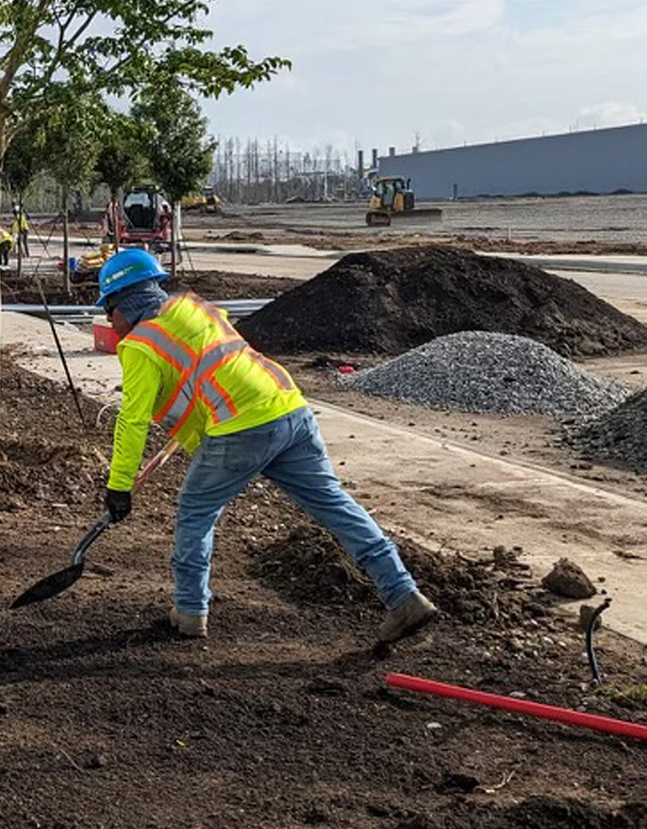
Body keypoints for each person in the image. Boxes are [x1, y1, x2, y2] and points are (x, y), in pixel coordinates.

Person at [95, 249, 437, 644]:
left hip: (243, 426)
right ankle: (403, 594)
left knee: (195, 511)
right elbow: (209, 374)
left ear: (126, 303)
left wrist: (119, 485)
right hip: (289, 408)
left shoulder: (140, 345)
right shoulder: (194, 311)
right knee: (335, 505)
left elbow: (132, 420)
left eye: (109, 311)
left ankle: (189, 612)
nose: (110, 322)